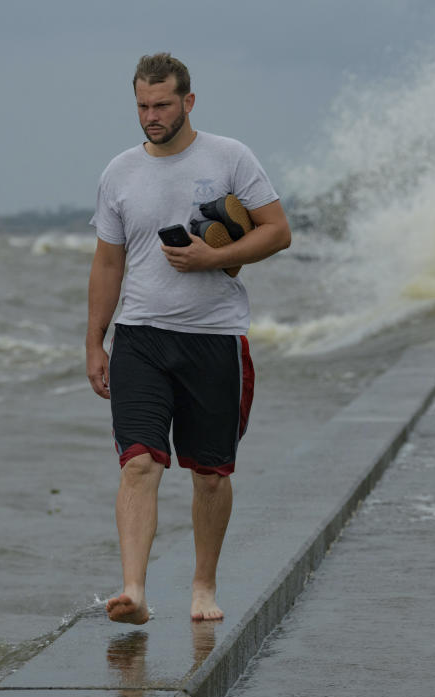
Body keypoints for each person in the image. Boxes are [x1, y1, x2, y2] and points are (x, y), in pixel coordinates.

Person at [85, 53, 291, 624]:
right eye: (143, 106)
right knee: (139, 463)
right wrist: (94, 342)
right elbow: (107, 264)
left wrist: (214, 257)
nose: (152, 116)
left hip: (213, 336)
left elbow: (278, 231)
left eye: (163, 105)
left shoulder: (230, 158)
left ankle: (203, 586)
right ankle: (133, 591)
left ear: (188, 102)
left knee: (209, 472)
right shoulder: (119, 172)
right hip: (141, 336)